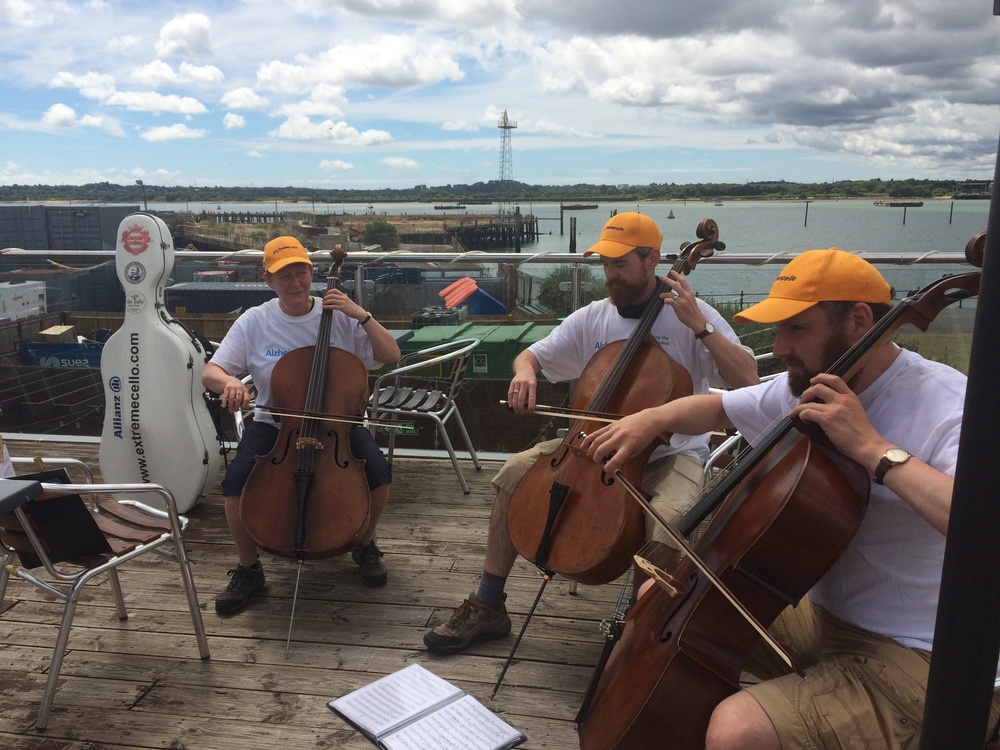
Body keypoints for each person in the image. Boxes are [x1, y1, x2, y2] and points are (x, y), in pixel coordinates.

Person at [580, 248, 1000, 749]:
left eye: (796, 329)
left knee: (738, 732)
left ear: (860, 321)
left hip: (923, 652)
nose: (779, 347)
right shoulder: (812, 386)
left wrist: (871, 448)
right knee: (662, 594)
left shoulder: (950, 405)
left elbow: (980, 525)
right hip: (824, 617)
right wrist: (651, 418)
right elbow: (717, 408)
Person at [422, 212, 759, 654]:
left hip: (666, 454)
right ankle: (488, 604)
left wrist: (701, 325)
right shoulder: (593, 317)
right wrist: (523, 372)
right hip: (585, 446)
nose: (609, 275)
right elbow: (532, 356)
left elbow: (748, 381)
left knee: (672, 517)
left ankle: (641, 631)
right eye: (605, 264)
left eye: (620, 264)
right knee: (515, 472)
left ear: (652, 259)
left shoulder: (693, 316)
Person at [204, 236, 401, 616]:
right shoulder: (255, 320)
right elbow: (212, 371)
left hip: (337, 422)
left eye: (301, 273)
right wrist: (229, 382)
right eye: (284, 276)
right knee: (235, 485)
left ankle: (365, 544)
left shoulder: (340, 314)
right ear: (268, 280)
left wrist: (361, 314)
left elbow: (390, 355)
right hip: (277, 423)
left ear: (312, 273)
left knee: (379, 473)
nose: (295, 283)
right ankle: (249, 568)